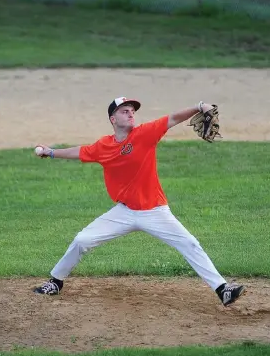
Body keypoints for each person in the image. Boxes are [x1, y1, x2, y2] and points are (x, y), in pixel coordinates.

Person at [33, 97, 246, 306]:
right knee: (82, 240)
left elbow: (172, 118)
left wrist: (198, 106)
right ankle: (55, 282)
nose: (131, 113)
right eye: (124, 110)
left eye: (132, 111)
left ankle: (222, 289)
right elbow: (79, 152)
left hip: (155, 211)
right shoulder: (104, 146)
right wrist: (51, 152)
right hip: (123, 213)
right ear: (113, 119)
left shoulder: (144, 134)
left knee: (189, 243)